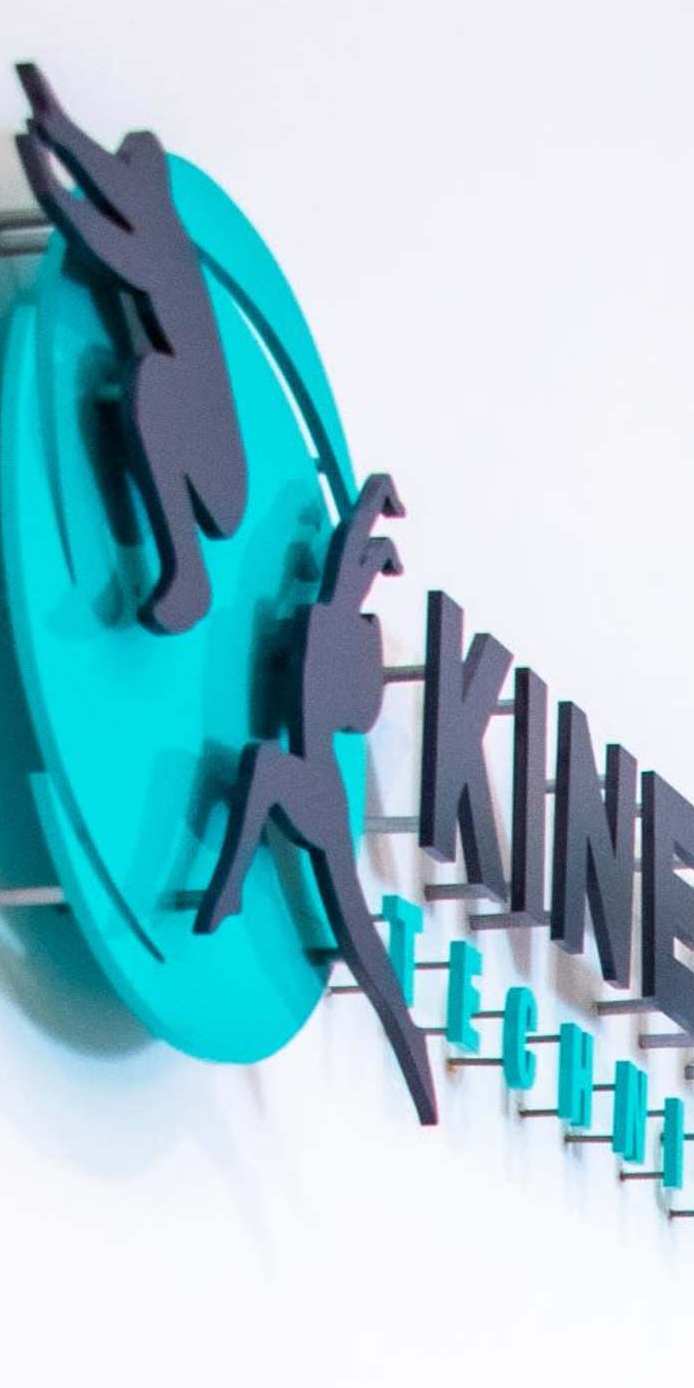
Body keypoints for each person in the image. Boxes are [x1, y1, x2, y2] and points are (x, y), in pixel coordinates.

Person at [198, 478, 438, 1123]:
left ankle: (229, 886)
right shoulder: (327, 622)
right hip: (312, 773)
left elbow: (343, 575)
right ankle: (229, 888)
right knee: (354, 929)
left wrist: (372, 519)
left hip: (320, 782)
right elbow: (343, 569)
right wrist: (372, 510)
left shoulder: (337, 635)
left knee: (357, 932)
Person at [14, 61, 250, 636]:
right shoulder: (158, 239)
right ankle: (184, 573)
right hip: (212, 453)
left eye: (127, 169)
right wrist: (57, 131)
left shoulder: (164, 249)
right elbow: (106, 206)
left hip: (218, 466)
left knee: (156, 384)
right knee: (155, 383)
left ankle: (187, 574)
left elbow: (109, 241)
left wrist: (52, 181)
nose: (117, 179)